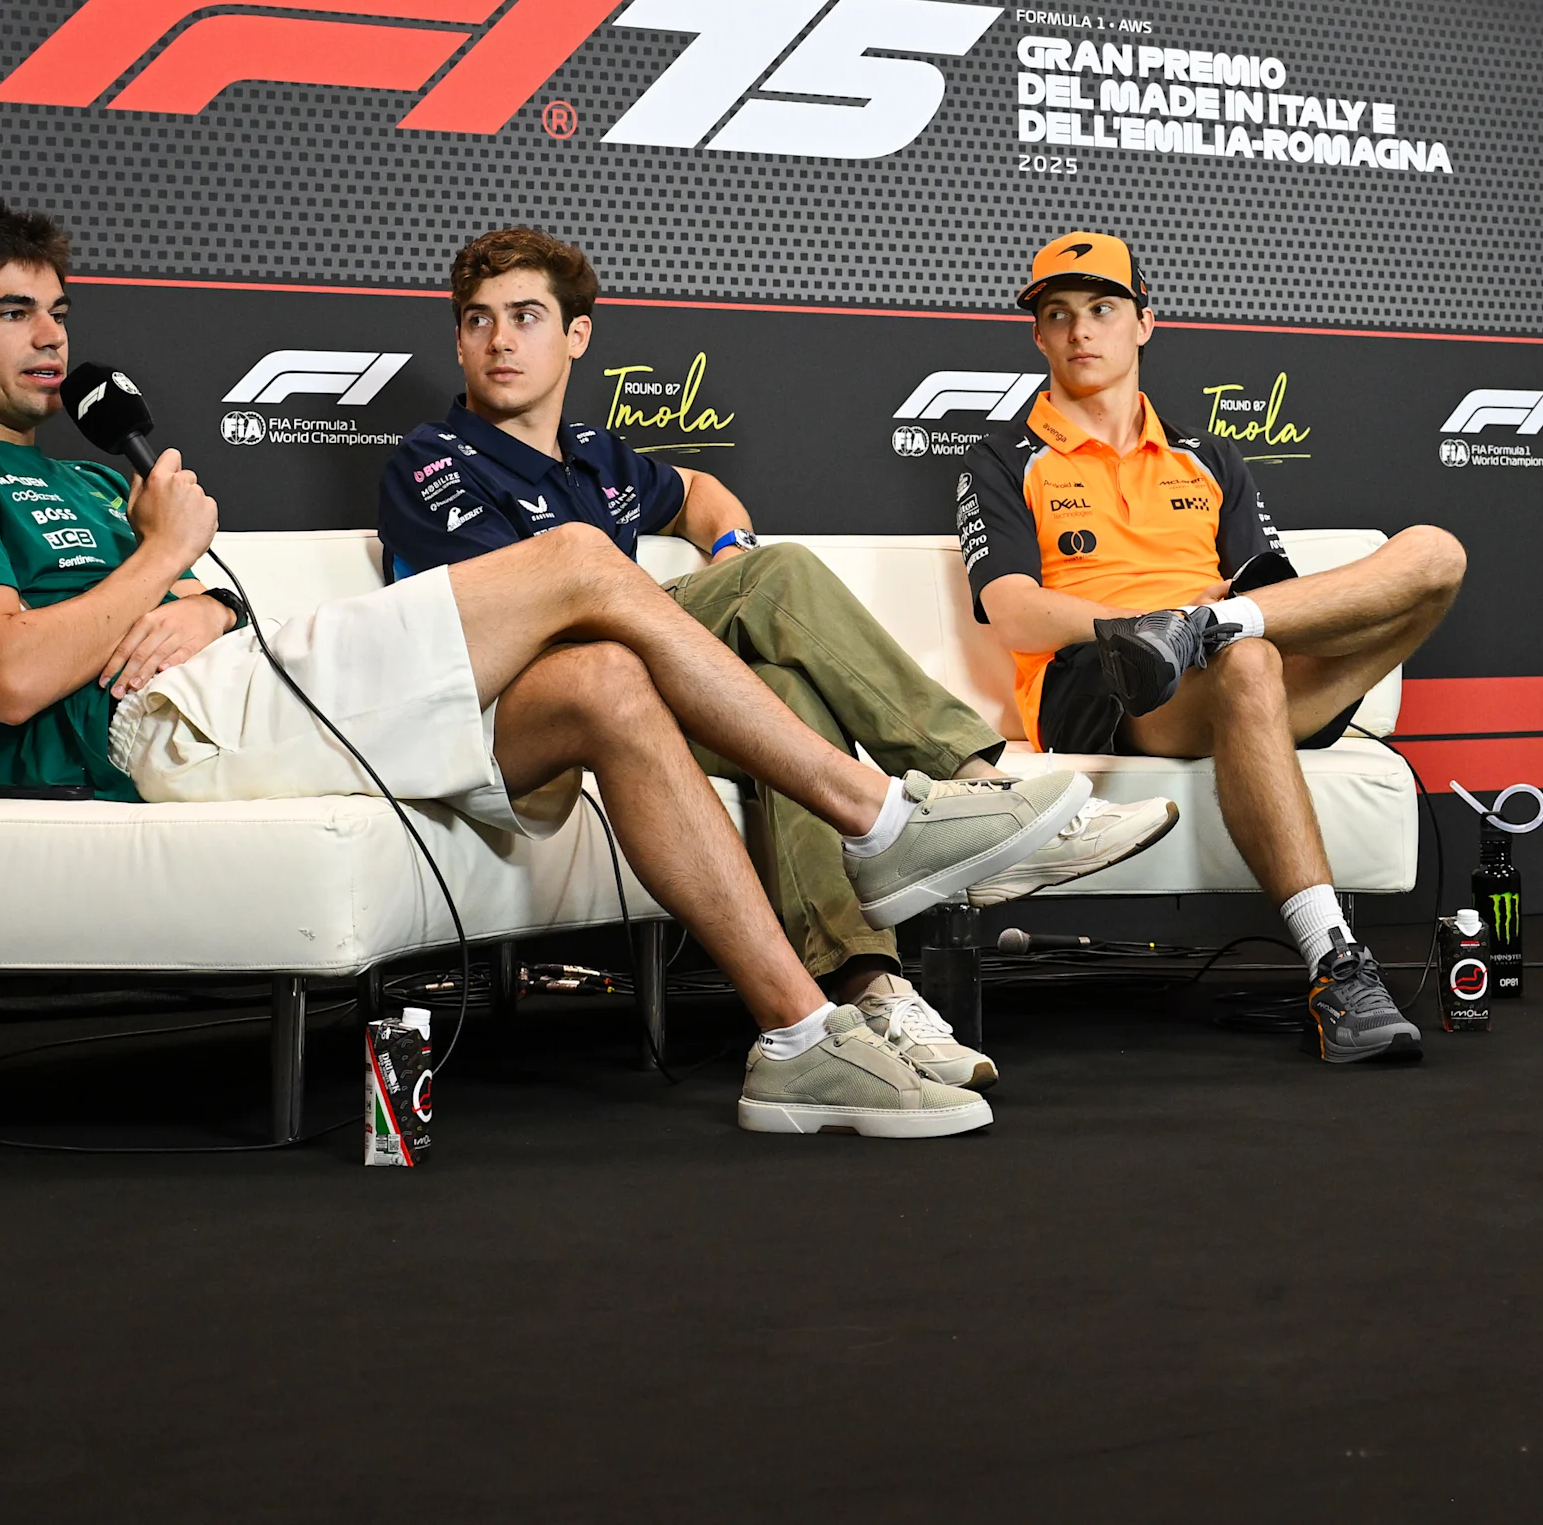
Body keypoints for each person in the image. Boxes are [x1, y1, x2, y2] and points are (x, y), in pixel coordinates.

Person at [0, 202, 1097, 1138]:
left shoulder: (78, 471)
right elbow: (8, 678)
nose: (53, 338)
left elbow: (187, 612)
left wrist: (197, 599)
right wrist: (164, 558)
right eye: (15, 312)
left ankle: (801, 1034)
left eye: (59, 311)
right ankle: (884, 818)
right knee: (580, 567)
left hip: (230, 691)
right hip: (140, 744)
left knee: (609, 683)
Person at [374, 227, 1181, 1090]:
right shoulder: (433, 460)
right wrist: (747, 580)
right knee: (779, 579)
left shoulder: (596, 458)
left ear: (576, 336)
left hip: (631, 700)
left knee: (786, 691)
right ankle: (991, 795)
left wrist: (728, 546)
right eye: (478, 320)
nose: (500, 340)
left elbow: (698, 497)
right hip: (524, 707)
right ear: (457, 338)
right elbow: (545, 625)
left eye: (526, 317)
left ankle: (868, 989)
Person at [956, 232, 1467, 1065]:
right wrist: (1148, 622)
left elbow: (1277, 591)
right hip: (1101, 681)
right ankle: (1337, 965)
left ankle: (1216, 631)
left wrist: (1229, 623)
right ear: (1039, 337)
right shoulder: (1003, 457)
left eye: (1102, 309)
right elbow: (1014, 614)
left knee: (1436, 555)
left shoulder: (1210, 456)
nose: (1082, 330)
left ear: (1145, 323)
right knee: (1253, 654)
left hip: (1231, 668)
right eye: (1059, 315)